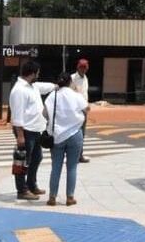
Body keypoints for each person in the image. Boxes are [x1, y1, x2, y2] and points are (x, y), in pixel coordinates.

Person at [8, 60, 54, 200]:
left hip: (35, 130)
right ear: (32, 74)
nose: (38, 76)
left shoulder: (32, 86)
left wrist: (57, 86)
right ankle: (22, 190)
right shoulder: (19, 90)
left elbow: (45, 87)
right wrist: (20, 135)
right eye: (38, 73)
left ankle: (31, 185)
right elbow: (17, 114)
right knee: (23, 160)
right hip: (25, 131)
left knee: (36, 157)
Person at [44, 72, 89, 206]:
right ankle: (70, 197)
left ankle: (52, 197)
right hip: (75, 134)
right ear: (70, 82)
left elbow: (44, 114)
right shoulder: (76, 96)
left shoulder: (53, 96)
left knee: (56, 167)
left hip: (57, 136)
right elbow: (87, 109)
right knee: (72, 167)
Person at [70, 58, 91, 162]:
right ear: (78, 67)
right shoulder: (72, 78)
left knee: (82, 133)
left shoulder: (85, 78)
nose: (83, 69)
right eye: (82, 67)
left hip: (84, 110)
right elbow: (69, 94)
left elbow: (84, 94)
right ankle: (73, 154)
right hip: (75, 110)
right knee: (74, 132)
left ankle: (79, 155)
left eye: (85, 67)